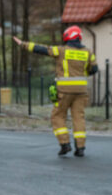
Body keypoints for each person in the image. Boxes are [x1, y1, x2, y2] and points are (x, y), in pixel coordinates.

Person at [14, 26, 98, 157]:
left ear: (67, 37)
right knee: (79, 118)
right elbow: (93, 70)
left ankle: (65, 144)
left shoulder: (61, 50)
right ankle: (80, 148)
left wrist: (23, 44)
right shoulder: (88, 52)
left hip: (64, 91)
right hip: (81, 91)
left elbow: (42, 50)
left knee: (58, 116)